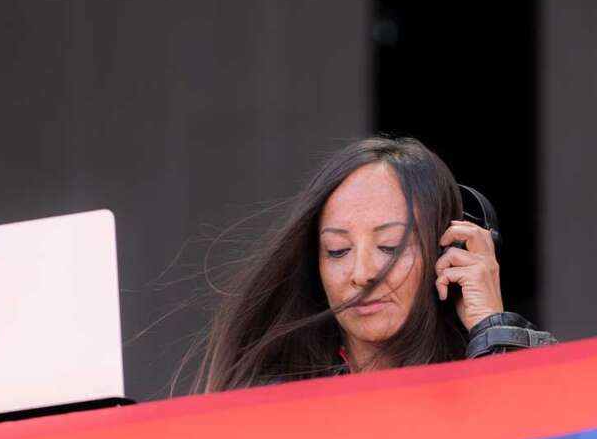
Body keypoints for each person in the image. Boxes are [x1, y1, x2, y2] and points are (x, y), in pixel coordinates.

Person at [192, 136, 554, 392]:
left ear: (448, 249)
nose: (362, 274)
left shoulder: (534, 372)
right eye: (337, 251)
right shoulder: (270, 403)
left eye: (389, 246)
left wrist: (494, 331)